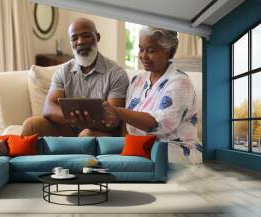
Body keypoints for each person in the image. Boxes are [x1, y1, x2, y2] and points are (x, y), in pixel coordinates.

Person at [104, 27, 202, 164]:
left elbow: (158, 124)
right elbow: (127, 125)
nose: (143, 56)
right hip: (141, 149)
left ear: (169, 51)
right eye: (141, 49)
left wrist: (118, 111)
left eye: (151, 50)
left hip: (173, 152)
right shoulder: (137, 81)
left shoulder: (180, 82)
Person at [21, 18, 130, 137]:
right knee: (31, 125)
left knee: (86, 134)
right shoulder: (63, 72)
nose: (80, 42)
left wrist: (86, 122)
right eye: (74, 38)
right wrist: (75, 119)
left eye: (86, 36)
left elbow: (113, 119)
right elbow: (48, 109)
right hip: (69, 127)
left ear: (97, 37)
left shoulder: (116, 73)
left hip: (101, 132)